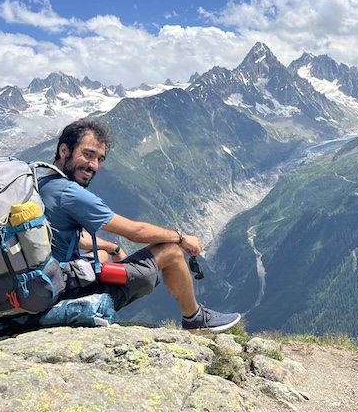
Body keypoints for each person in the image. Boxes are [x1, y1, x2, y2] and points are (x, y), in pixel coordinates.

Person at [39, 118, 241, 333]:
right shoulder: (71, 193)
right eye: (88, 155)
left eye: (100, 159)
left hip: (42, 286)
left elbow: (58, 235)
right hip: (61, 292)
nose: (94, 165)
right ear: (64, 150)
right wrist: (181, 238)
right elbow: (136, 231)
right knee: (170, 251)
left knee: (103, 257)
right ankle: (195, 318)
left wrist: (111, 247)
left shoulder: (41, 182)